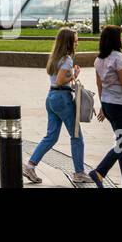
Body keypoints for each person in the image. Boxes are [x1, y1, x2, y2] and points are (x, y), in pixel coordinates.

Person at [23, 27, 90, 184]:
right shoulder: (67, 59)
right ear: (68, 42)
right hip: (62, 98)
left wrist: (70, 75)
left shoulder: (54, 57)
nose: (77, 43)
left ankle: (30, 166)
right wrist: (74, 75)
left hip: (51, 97)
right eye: (75, 41)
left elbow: (56, 79)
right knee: (76, 137)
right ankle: (79, 173)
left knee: (51, 136)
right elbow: (61, 80)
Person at [87, 25, 122, 189]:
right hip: (121, 106)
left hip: (109, 105)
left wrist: (103, 106)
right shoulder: (119, 58)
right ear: (115, 39)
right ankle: (99, 172)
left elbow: (100, 85)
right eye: (120, 36)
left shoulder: (98, 60)